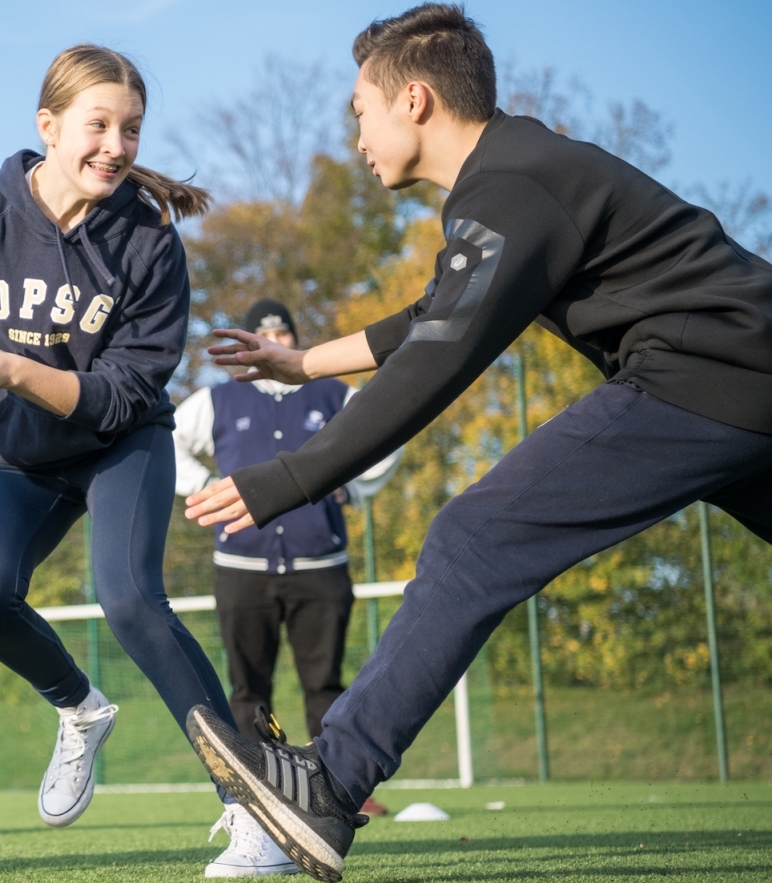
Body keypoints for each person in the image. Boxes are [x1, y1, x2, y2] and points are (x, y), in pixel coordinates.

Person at [179, 5, 772, 881]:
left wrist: (290, 478)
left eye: (359, 112)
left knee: (475, 535)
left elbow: (436, 359)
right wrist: (304, 360)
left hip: (703, 374)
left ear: (413, 100)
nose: (357, 136)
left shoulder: (512, 190)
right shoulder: (519, 177)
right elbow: (430, 318)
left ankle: (330, 781)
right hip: (743, 375)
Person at [0, 44, 295, 877]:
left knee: (130, 600)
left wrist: (10, 369)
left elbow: (125, 394)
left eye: (132, 129)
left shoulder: (149, 241)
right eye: (99, 125)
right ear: (48, 127)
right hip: (20, 457)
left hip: (119, 445)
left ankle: (256, 807)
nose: (116, 146)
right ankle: (81, 711)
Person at [173, 299, 399, 819]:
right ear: (248, 344)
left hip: (321, 566)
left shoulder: (333, 392)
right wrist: (206, 487)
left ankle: (340, 789)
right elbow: (169, 443)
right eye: (264, 331)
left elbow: (388, 434)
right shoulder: (217, 401)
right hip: (241, 570)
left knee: (325, 684)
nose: (275, 336)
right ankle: (259, 788)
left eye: (283, 330)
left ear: (293, 339)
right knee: (249, 687)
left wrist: (355, 487)